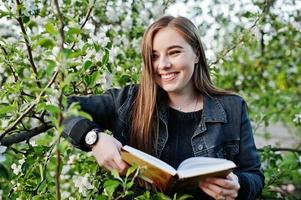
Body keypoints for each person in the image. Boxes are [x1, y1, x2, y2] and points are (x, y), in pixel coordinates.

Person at [63, 16, 264, 200]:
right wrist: (94, 138)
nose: (163, 64)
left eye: (174, 52)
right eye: (154, 56)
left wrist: (239, 186)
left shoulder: (232, 108)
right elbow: (61, 107)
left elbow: (254, 176)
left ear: (196, 54)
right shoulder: (128, 101)